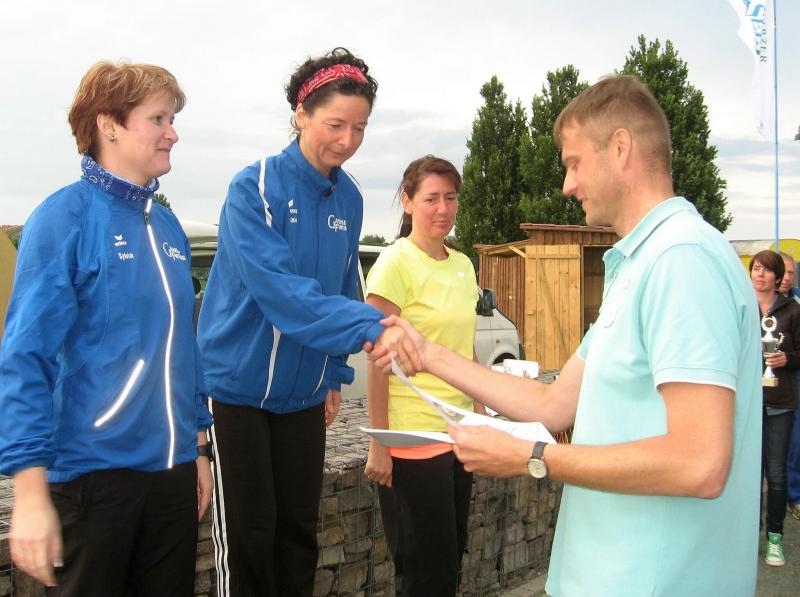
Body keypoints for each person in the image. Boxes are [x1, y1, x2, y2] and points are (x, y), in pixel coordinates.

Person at [369, 75, 762, 596]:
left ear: (619, 148)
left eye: (574, 163)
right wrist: (428, 353)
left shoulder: (681, 260)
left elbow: (700, 463)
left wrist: (533, 457)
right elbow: (553, 404)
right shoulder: (639, 265)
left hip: (654, 580)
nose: (567, 185)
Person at [196, 47, 415, 597]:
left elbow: (342, 286)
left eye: (360, 128)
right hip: (237, 391)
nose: (348, 141)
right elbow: (284, 295)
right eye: (335, 125)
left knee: (298, 536)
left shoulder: (351, 198)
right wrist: (372, 326)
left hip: (302, 395)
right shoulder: (254, 188)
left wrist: (333, 373)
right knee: (249, 539)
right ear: (301, 113)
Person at [0, 61, 212, 596]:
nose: (173, 133)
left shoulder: (167, 227)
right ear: (108, 124)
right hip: (91, 479)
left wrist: (198, 448)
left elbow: (181, 347)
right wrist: (29, 493)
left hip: (170, 477)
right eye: (158, 118)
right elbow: (25, 356)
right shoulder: (63, 219)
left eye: (172, 119)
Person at [363, 156, 483, 596]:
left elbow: (466, 348)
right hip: (413, 436)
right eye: (431, 198)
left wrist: (482, 415)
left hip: (459, 433)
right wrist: (380, 441)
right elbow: (376, 356)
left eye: (451, 198)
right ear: (408, 201)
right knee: (422, 573)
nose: (443, 208)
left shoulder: (463, 264)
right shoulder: (395, 263)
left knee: (449, 562)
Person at [751, 250, 800, 566]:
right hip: (748, 404)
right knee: (749, 474)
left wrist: (787, 359)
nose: (760, 274)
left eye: (767, 270)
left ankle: (775, 538)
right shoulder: (741, 307)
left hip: (780, 403)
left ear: (778, 276)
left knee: (777, 473)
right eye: (756, 268)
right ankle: (748, 535)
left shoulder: (793, 311)